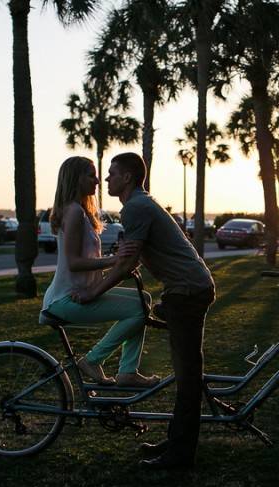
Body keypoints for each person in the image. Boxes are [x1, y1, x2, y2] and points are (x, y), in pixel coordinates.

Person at [72, 152, 215, 470]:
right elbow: (132, 258)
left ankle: (180, 456)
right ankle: (176, 442)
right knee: (185, 375)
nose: (106, 179)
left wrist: (92, 292)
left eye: (111, 173)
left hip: (187, 293)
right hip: (186, 290)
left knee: (188, 378)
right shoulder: (138, 205)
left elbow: (125, 264)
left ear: (127, 178)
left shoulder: (136, 207)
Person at [40, 156, 159, 388]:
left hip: (75, 293)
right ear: (76, 178)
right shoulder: (74, 212)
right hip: (66, 299)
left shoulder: (81, 212)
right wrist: (116, 260)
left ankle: (127, 372)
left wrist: (119, 265)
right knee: (138, 309)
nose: (98, 180)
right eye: (91, 175)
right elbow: (74, 263)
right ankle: (94, 360)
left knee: (143, 300)